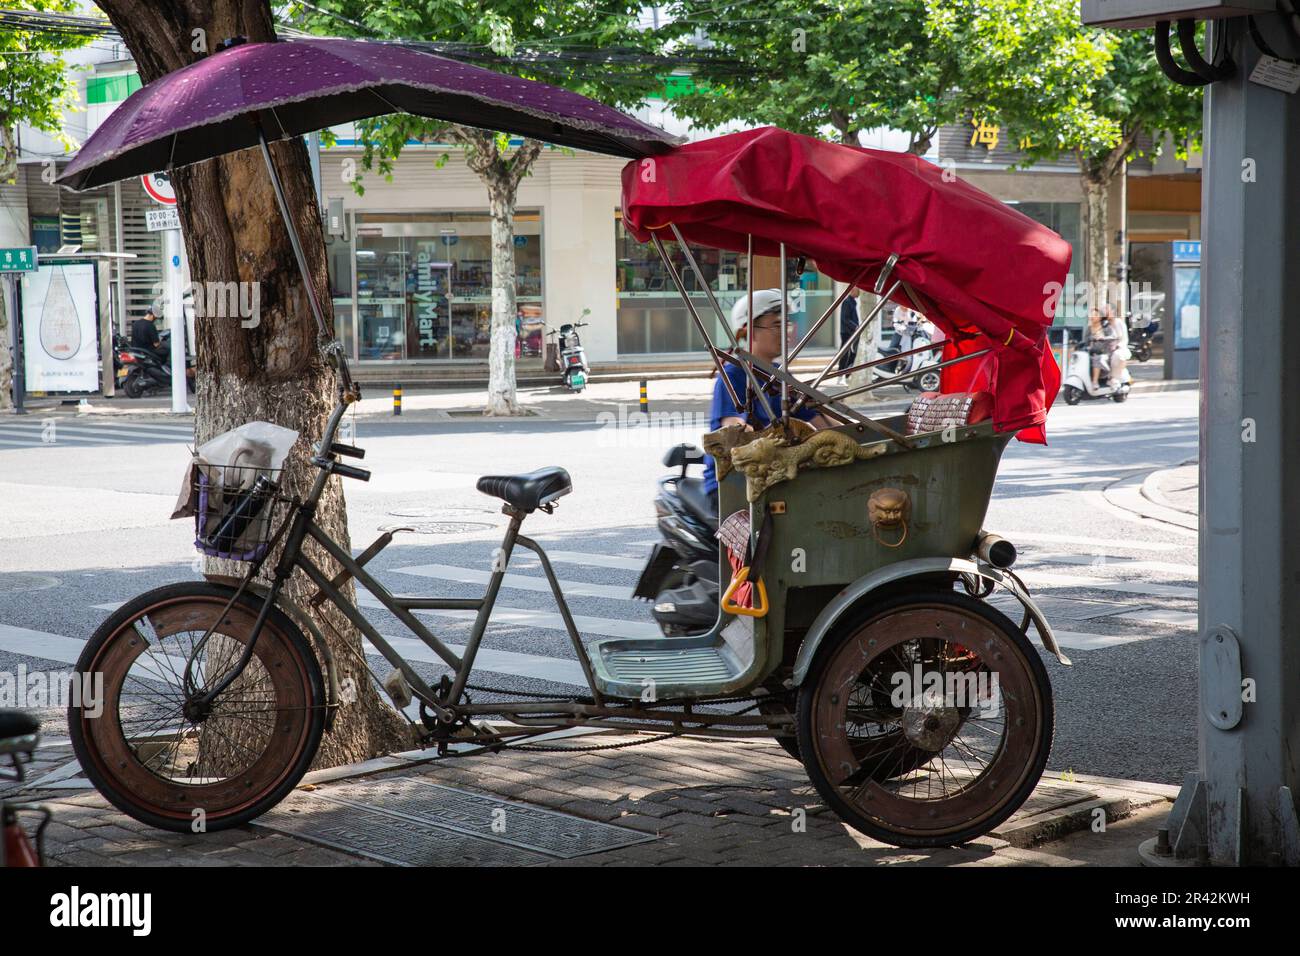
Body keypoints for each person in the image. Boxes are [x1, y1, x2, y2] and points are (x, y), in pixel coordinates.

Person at [701, 289, 830, 503]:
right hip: (734, 484)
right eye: (776, 325)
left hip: (777, 475)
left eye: (785, 325)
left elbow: (820, 421)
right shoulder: (733, 375)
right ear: (750, 331)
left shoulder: (781, 374)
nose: (785, 332)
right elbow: (734, 430)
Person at [1087, 305, 1120, 390]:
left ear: (1100, 317)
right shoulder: (1089, 328)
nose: (1092, 317)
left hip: (1105, 353)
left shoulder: (1106, 328)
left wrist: (1103, 338)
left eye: (1095, 315)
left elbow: (1114, 336)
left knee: (1097, 358)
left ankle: (1095, 382)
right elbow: (1085, 340)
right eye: (1091, 315)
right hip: (1091, 352)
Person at [837, 286, 861, 372]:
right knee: (844, 353)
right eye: (858, 290)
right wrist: (855, 326)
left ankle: (847, 372)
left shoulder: (853, 302)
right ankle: (841, 373)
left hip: (852, 331)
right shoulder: (847, 302)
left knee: (853, 352)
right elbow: (845, 318)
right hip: (846, 332)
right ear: (852, 291)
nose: (859, 292)